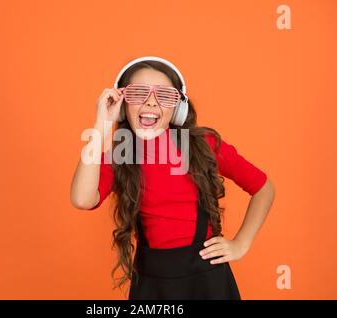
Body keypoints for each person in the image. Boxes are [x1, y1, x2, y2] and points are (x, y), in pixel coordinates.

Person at [70, 56, 276, 299]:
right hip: (151, 283)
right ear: (122, 104)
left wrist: (241, 243)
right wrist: (102, 125)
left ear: (178, 109)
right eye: (138, 94)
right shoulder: (119, 155)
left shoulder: (203, 146)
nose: (151, 103)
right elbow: (82, 199)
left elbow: (264, 188)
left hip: (208, 280)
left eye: (165, 96)